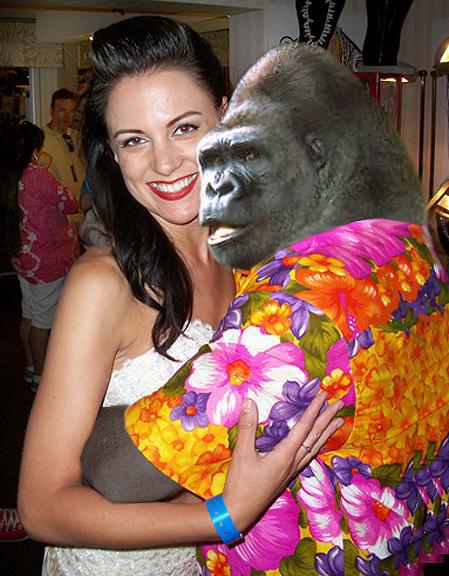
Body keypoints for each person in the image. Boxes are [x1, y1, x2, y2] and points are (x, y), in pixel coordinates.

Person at [17, 16, 344, 576]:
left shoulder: (253, 260)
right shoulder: (103, 286)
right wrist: (224, 516)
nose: (163, 163)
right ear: (113, 154)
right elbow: (42, 506)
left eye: (185, 128)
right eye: (134, 140)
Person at [4, 121, 80, 392]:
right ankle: (41, 375)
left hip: (23, 257)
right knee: (44, 321)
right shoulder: (36, 175)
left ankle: (29, 367)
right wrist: (44, 164)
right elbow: (70, 201)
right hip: (46, 260)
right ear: (34, 149)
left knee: (30, 312)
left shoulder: (10, 175)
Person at [42, 88, 85, 209]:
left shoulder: (77, 137)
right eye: (62, 110)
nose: (68, 116)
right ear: (52, 111)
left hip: (81, 207)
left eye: (71, 111)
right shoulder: (41, 140)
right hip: (57, 209)